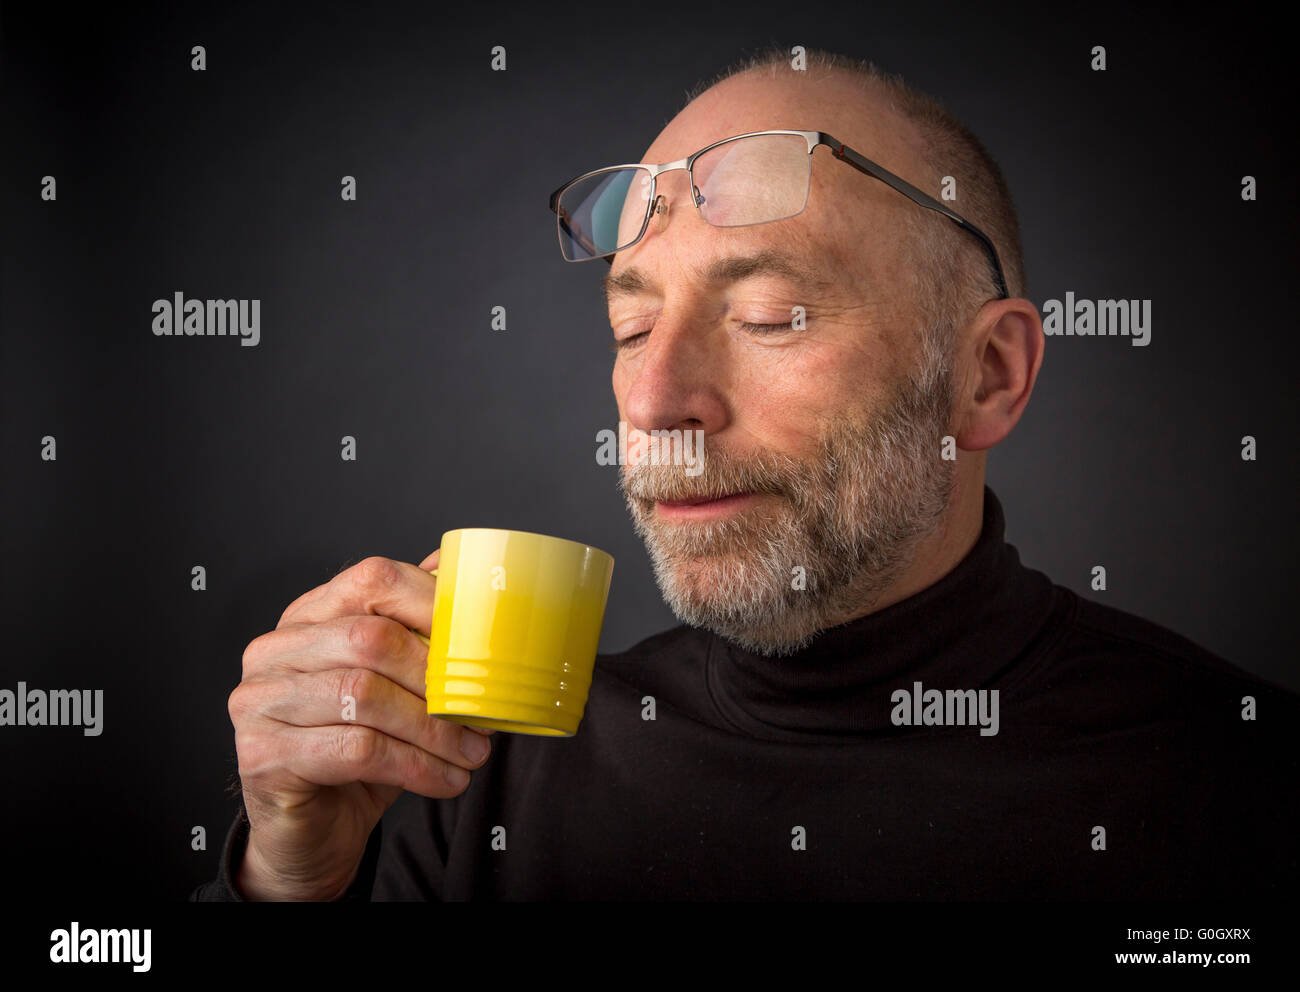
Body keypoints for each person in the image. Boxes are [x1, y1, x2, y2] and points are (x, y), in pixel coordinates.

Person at [191, 47, 1298, 901]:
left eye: (769, 316)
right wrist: (288, 885)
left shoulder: (1234, 789)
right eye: (630, 329)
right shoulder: (463, 774)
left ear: (987, 376)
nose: (652, 402)